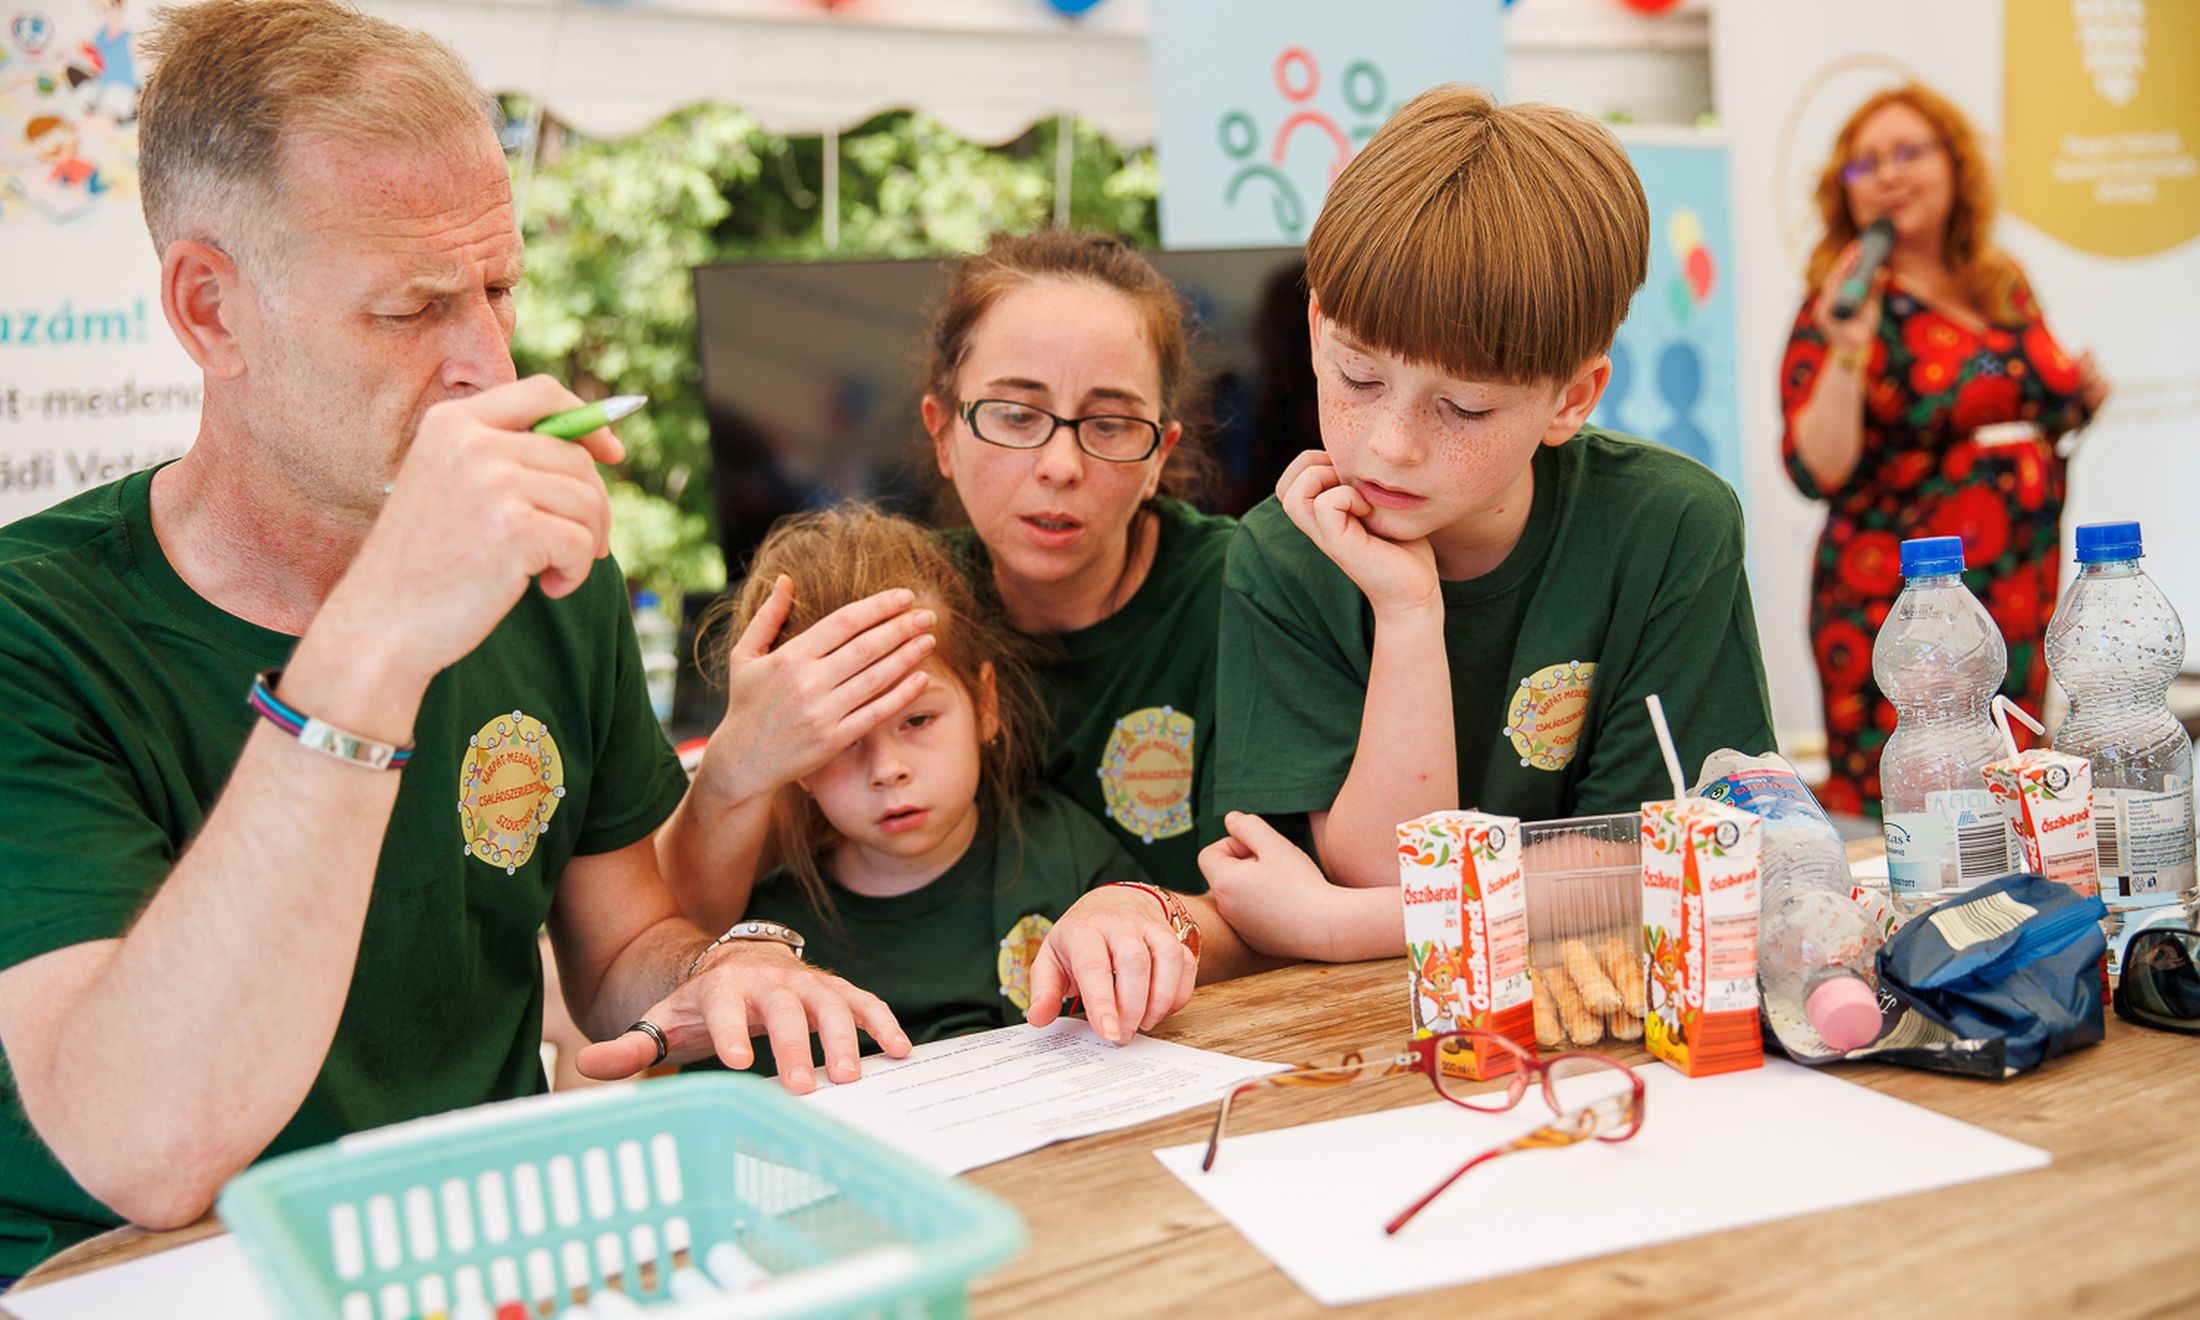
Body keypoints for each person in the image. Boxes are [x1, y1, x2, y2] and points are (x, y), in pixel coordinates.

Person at [0, 0, 905, 1282]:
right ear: (210, 311)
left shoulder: (544, 572)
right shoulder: (33, 630)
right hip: (126, 1318)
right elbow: (145, 1150)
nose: (486, 362)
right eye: (411, 307)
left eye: (498, 287)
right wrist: (376, 635)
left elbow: (617, 952)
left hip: (472, 1272)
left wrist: (727, 972)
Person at [1202, 85, 1777, 961]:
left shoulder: (1669, 526)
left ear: (1571, 398)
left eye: (1464, 409)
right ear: (1318, 330)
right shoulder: (1283, 556)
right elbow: (1381, 865)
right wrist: (1406, 615)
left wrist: (1336, 925)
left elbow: (1662, 855)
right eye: (1358, 379)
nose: (1390, 447)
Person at [660, 232, 1239, 929]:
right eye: (1016, 415)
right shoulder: (899, 606)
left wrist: (1152, 931)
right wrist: (736, 765)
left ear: (1158, 455)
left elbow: (1292, 912)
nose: (1060, 464)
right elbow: (675, 929)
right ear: (943, 433)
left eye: (1110, 423)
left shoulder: (1243, 597)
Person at [689, 507, 1199, 1064]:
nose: (887, 768)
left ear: (985, 705)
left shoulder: (1068, 854)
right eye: (842, 737)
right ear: (795, 757)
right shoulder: (765, 943)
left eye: (917, 720)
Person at [1782, 82, 2108, 817]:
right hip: (1906, 607)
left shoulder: (2001, 282)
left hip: (2019, 586)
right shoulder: (1843, 300)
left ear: (1955, 166)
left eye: (1908, 152)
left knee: (2007, 790)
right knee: (1925, 806)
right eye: (1865, 164)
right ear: (1846, 192)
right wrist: (1847, 352)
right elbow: (1816, 466)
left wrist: (2079, 400)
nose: (1889, 174)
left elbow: (2025, 410)